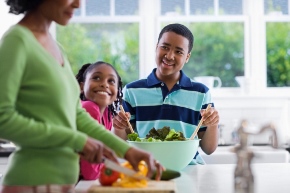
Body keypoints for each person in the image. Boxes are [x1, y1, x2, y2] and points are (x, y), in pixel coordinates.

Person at [0, 1, 162, 192]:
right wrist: (78, 140)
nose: (78, 4)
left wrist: (129, 151)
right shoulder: (16, 41)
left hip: (64, 183)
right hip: (32, 182)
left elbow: (77, 115)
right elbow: (3, 119)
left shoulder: (55, 47)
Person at [113, 23, 220, 165]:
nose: (169, 56)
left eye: (178, 52)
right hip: (147, 169)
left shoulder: (201, 93)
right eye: (165, 47)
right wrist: (118, 126)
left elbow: (208, 149)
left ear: (187, 57)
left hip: (190, 168)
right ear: (156, 47)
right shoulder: (132, 91)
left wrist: (213, 124)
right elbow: (121, 144)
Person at [75, 61, 124, 180]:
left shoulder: (107, 114)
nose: (104, 84)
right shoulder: (89, 107)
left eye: (111, 81)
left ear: (117, 92)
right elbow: (91, 172)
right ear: (81, 87)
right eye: (96, 78)